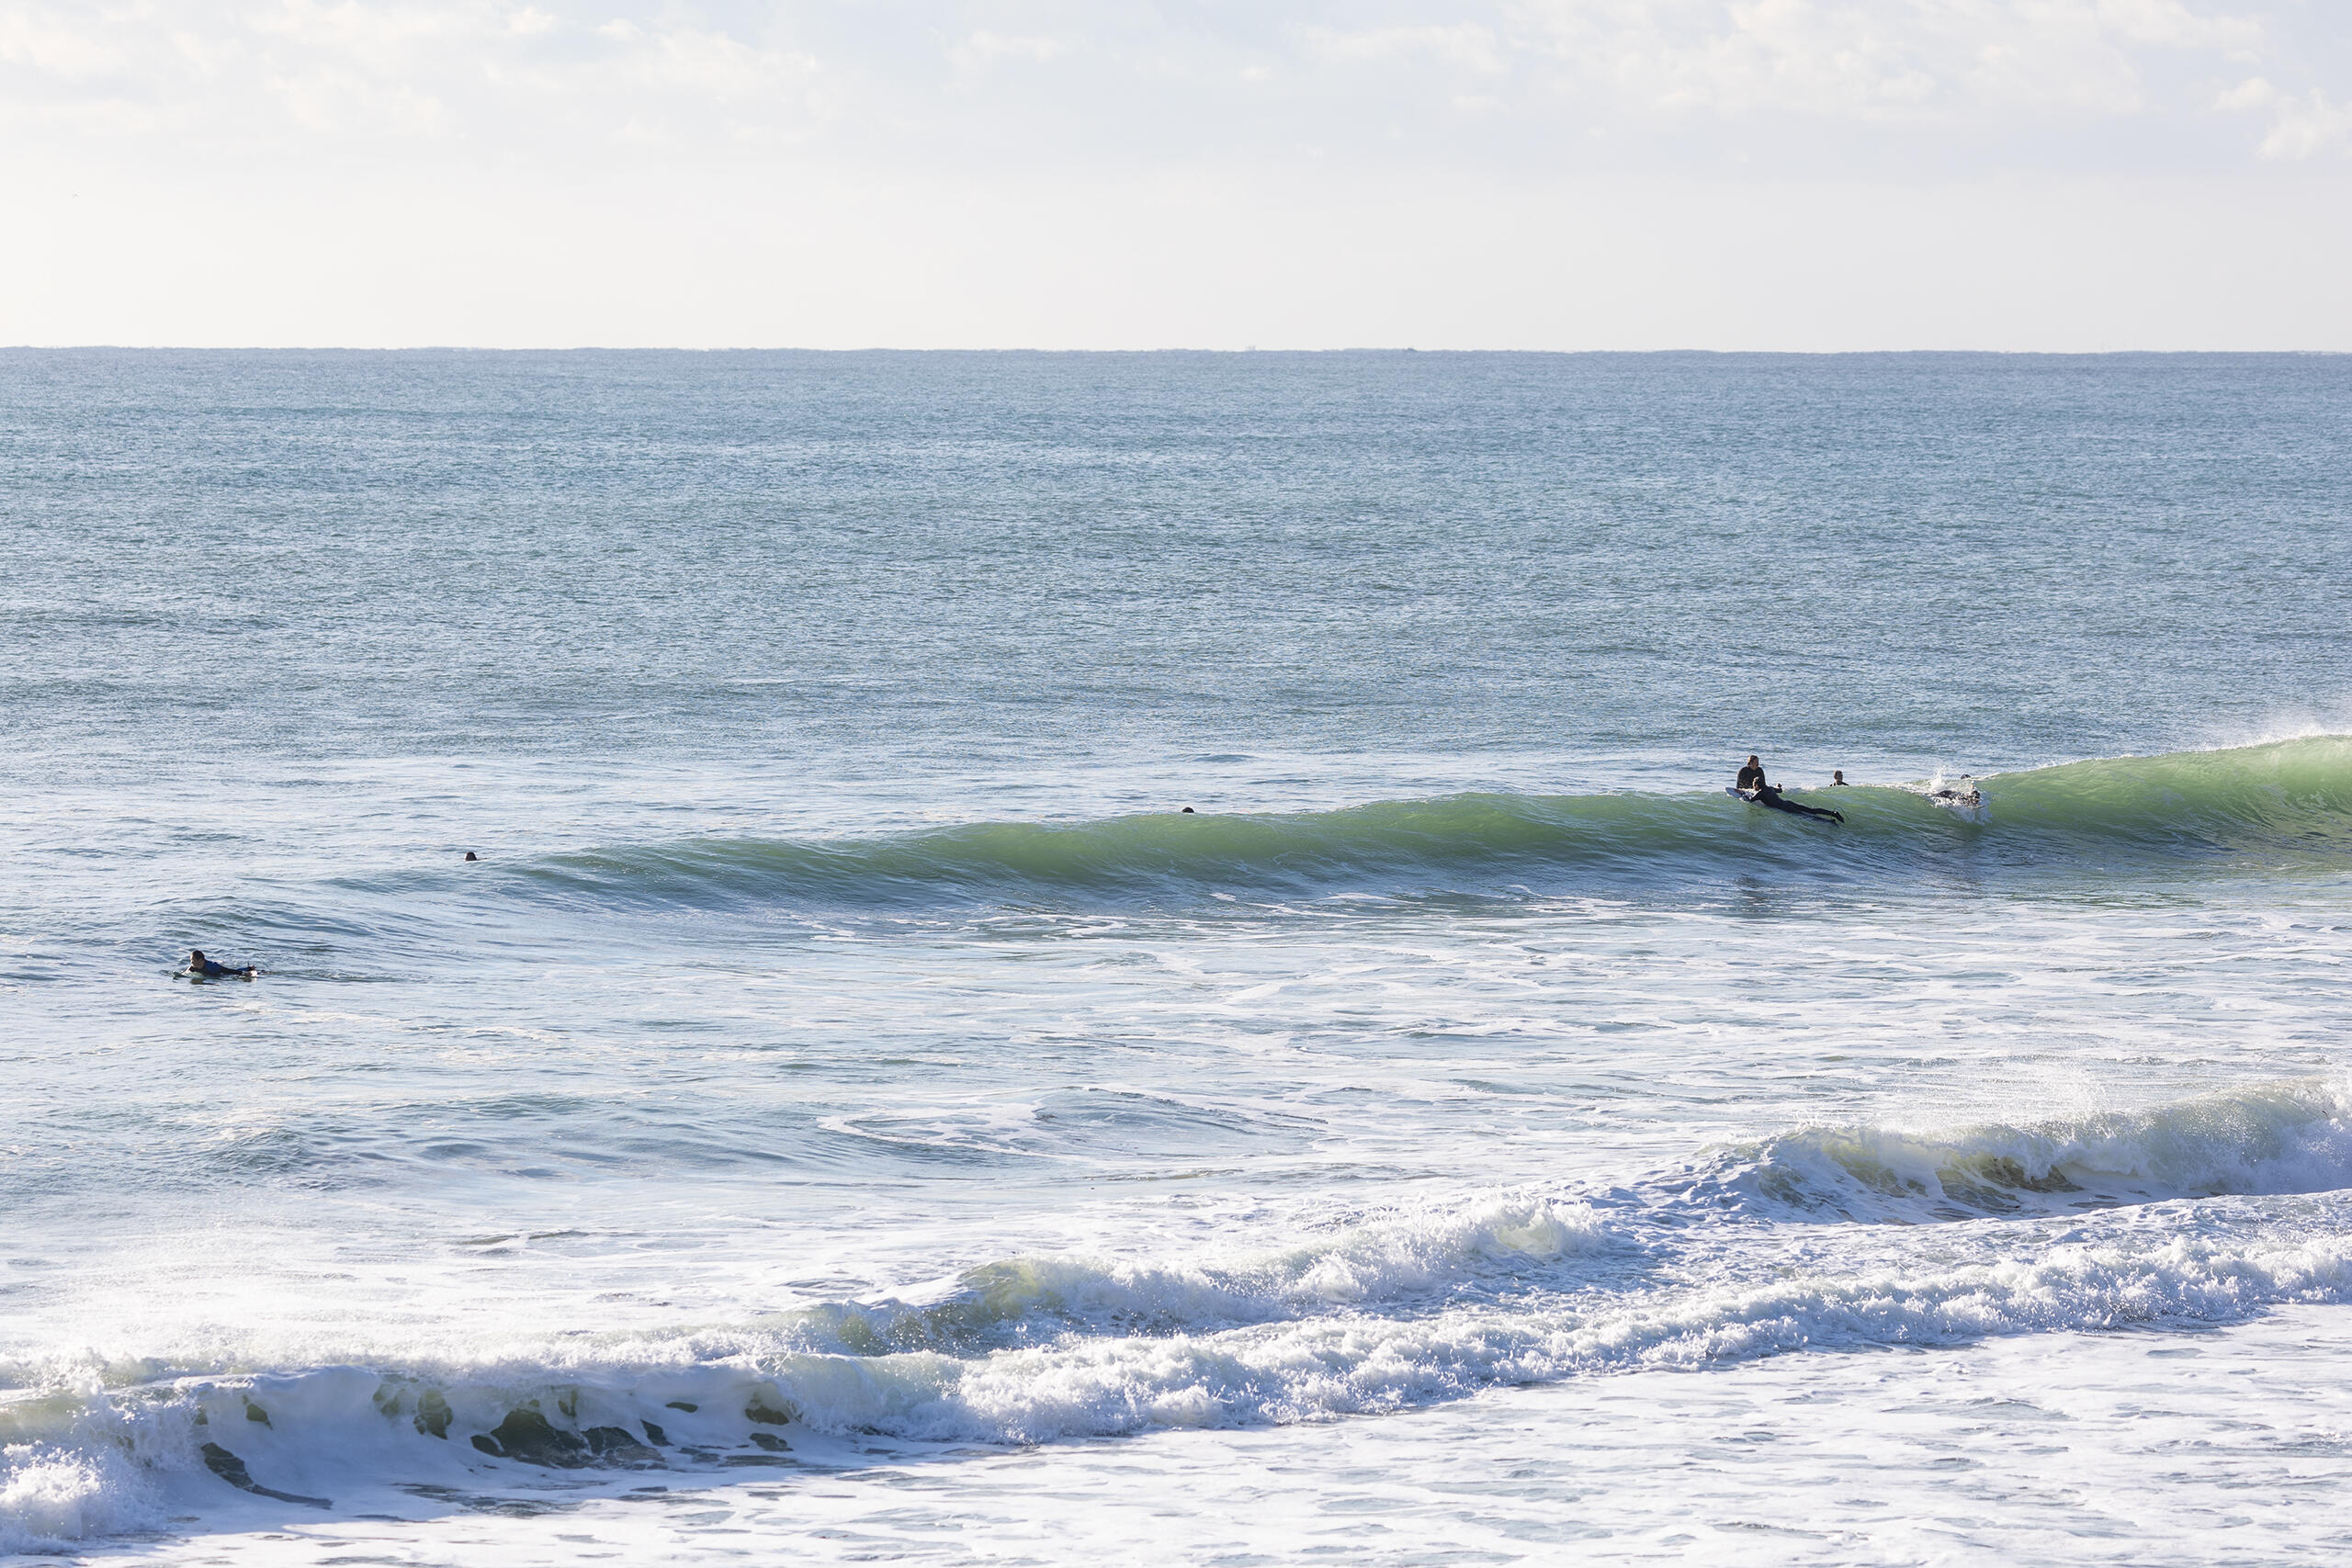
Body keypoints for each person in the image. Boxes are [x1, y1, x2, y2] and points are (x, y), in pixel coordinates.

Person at [187, 948, 257, 979]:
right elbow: (184, 975)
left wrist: (243, 973)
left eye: (193, 960)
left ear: (201, 960)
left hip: (220, 975)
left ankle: (249, 968)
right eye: (191, 960)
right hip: (210, 976)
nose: (191, 962)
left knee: (229, 974)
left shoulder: (213, 966)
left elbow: (229, 970)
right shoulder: (192, 968)